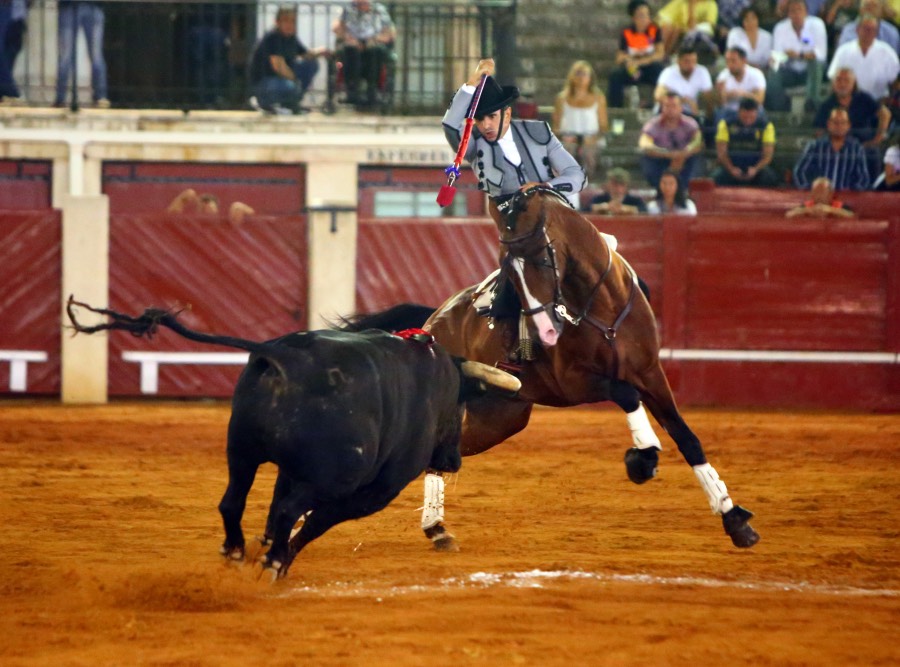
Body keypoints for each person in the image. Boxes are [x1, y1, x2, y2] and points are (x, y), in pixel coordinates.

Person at [442, 59, 586, 200]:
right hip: (504, 212)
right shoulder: (473, 142)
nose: (485, 125)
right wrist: (472, 83)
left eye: (492, 116)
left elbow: (577, 175)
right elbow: (450, 125)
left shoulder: (538, 132)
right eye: (479, 119)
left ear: (507, 115)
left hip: (546, 206)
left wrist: (546, 187)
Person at [249, 6, 327, 115]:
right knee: (290, 87)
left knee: (311, 64)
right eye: (286, 20)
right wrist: (295, 81)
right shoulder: (272, 37)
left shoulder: (291, 37)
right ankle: (265, 102)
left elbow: (305, 54)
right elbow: (278, 65)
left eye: (293, 21)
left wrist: (321, 52)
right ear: (277, 22)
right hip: (266, 81)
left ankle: (291, 103)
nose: (290, 24)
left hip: (282, 79)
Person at [766, 0, 828, 112]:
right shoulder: (780, 28)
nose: (796, 14)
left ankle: (811, 105)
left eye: (799, 10)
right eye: (793, 11)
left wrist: (798, 55)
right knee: (773, 70)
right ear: (788, 14)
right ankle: (778, 109)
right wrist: (787, 56)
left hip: (810, 71)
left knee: (815, 64)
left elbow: (820, 55)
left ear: (806, 12)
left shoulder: (817, 25)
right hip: (790, 71)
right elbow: (776, 59)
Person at [552, 61, 608, 182]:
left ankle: (589, 180)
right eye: (578, 73)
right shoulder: (561, 98)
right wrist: (563, 137)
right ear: (572, 76)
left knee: (588, 152)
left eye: (584, 74)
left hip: (591, 138)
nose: (581, 78)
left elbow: (603, 126)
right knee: (566, 150)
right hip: (568, 138)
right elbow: (555, 127)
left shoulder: (599, 97)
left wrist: (592, 139)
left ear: (590, 77)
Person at [333, 0, 395, 108]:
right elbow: (337, 28)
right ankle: (352, 91)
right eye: (359, 3)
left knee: (375, 51)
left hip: (374, 43)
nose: (361, 4)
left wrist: (374, 40)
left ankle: (372, 91)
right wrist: (349, 38)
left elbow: (390, 33)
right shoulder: (348, 9)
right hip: (353, 43)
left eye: (364, 3)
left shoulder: (379, 10)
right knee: (350, 50)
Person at [639, 92, 704, 191]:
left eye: (674, 106)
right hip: (661, 157)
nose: (670, 109)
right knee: (647, 160)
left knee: (696, 161)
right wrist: (668, 154)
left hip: (685, 157)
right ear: (662, 108)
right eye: (667, 106)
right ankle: (660, 191)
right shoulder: (652, 124)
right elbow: (644, 144)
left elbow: (698, 142)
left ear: (680, 108)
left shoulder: (690, 124)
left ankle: (685, 192)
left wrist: (683, 154)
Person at [607, 0, 667, 108]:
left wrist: (641, 61)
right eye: (641, 15)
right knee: (615, 76)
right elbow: (619, 57)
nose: (645, 19)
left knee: (661, 73)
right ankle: (616, 109)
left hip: (650, 68)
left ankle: (658, 107)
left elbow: (660, 54)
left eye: (647, 15)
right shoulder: (627, 33)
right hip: (633, 69)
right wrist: (629, 59)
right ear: (633, 17)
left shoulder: (654, 30)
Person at [827, 14, 900, 103]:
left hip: (879, 101)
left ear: (877, 32)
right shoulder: (844, 51)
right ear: (857, 30)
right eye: (865, 28)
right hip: (850, 102)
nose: (868, 32)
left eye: (872, 29)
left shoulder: (887, 52)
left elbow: (895, 82)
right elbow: (833, 78)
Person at [793, 108, 870, 190]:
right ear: (828, 124)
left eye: (843, 123)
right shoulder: (815, 146)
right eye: (835, 122)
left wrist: (852, 194)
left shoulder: (857, 149)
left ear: (848, 126)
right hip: (819, 196)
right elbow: (799, 172)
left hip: (846, 195)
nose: (839, 126)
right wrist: (809, 190)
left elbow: (863, 178)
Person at [712, 96, 780, 186]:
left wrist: (755, 169)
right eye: (744, 117)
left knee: (770, 178)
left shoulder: (766, 126)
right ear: (739, 112)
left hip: (756, 169)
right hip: (731, 168)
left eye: (751, 117)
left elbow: (768, 155)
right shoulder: (725, 124)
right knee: (716, 178)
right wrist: (731, 169)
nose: (748, 120)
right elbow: (721, 153)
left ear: (757, 113)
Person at [54, 0, 109, 108]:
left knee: (95, 55)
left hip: (89, 6)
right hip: (72, 6)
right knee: (66, 56)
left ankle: (100, 97)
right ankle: (61, 99)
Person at [653, 45, 714, 119]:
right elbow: (658, 96)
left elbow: (709, 97)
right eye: (687, 61)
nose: (691, 65)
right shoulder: (668, 73)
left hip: (690, 113)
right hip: (669, 112)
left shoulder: (702, 72)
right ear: (678, 61)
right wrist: (683, 101)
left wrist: (709, 116)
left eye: (694, 61)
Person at [715, 46, 767, 117]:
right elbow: (719, 104)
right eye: (727, 61)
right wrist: (724, 95)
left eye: (733, 61)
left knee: (760, 113)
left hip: (751, 112)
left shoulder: (756, 74)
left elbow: (760, 100)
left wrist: (743, 94)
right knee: (719, 114)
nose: (730, 65)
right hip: (730, 112)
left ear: (744, 61)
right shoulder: (723, 76)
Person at [167, 188, 256, 226]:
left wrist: (241, 208)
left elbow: (250, 215)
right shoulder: (189, 226)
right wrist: (183, 198)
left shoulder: (224, 226)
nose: (207, 211)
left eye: (210, 208)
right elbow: (171, 217)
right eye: (203, 208)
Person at [785, 176, 857, 216]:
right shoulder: (807, 205)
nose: (818, 195)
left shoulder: (839, 205)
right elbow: (789, 215)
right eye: (816, 192)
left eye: (822, 192)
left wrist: (830, 210)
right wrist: (809, 210)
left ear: (831, 194)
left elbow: (852, 216)